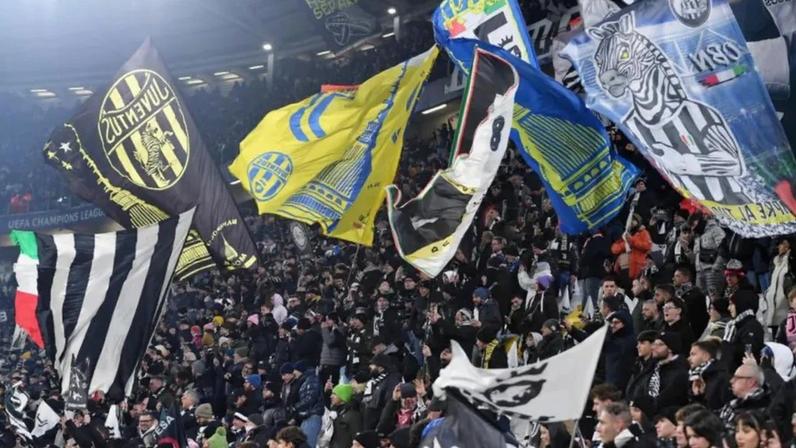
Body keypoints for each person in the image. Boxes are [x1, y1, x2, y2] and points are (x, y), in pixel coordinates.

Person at [718, 364, 770, 436]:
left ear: (751, 382)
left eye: (736, 378)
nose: (731, 381)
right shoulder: (734, 403)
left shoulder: (760, 406)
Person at [723, 290, 765, 371]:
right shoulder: (738, 325)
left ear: (741, 304)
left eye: (731, 304)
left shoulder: (752, 326)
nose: (728, 308)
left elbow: (748, 353)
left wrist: (727, 344)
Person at [686, 339, 730, 411]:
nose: (688, 359)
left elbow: (715, 406)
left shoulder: (720, 376)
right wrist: (697, 395)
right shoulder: (693, 376)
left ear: (706, 356)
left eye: (693, 354)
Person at [673, 265, 708, 337]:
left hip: (694, 331)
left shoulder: (695, 293)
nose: (673, 278)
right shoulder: (676, 292)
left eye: (677, 276)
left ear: (686, 278)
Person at [766, 238, 794, 329]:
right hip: (774, 308)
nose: (779, 246)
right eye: (780, 244)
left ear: (788, 246)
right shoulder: (776, 262)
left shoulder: (792, 262)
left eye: (783, 243)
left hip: (786, 308)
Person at [328, 383, 361, 448]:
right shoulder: (335, 411)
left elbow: (357, 438)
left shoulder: (352, 415)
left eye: (334, 394)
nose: (331, 396)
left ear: (343, 396)